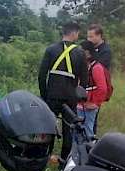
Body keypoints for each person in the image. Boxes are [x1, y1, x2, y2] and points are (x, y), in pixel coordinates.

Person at [38, 22, 89, 159]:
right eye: (77, 33)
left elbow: (42, 75)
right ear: (73, 33)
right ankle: (64, 160)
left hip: (52, 95)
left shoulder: (50, 49)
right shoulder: (79, 53)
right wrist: (79, 96)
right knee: (68, 129)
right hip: (70, 97)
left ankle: (45, 155)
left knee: (48, 126)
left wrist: (44, 95)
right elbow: (84, 79)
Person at [77, 40, 109, 141]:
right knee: (77, 132)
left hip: (89, 106)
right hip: (81, 105)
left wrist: (95, 103)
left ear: (88, 53)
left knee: (87, 131)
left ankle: (88, 152)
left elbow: (103, 88)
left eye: (81, 51)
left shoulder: (96, 68)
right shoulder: (84, 66)